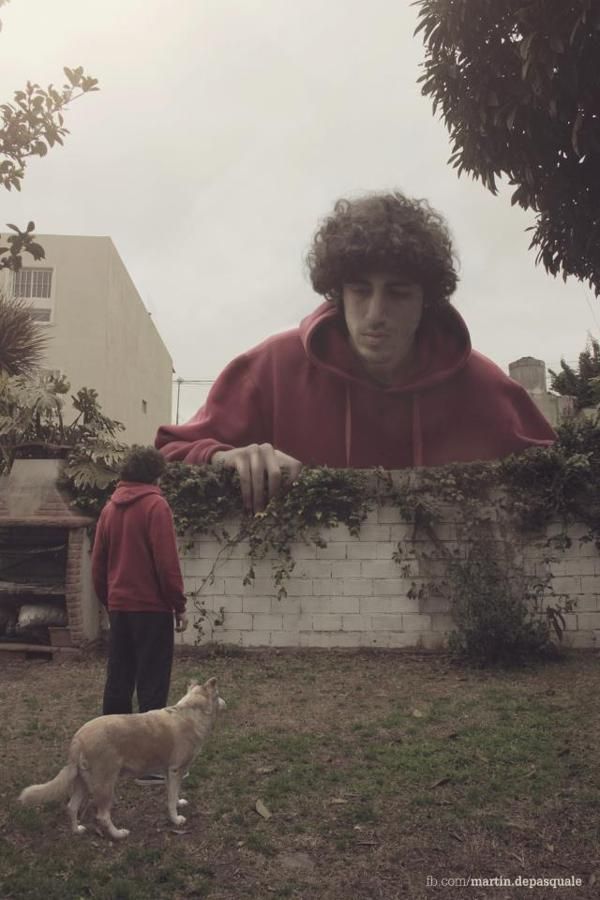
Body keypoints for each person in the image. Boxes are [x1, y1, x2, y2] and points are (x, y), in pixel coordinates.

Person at [156, 191, 555, 512]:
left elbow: (561, 481)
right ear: (338, 293)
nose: (376, 313)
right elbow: (164, 457)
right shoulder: (272, 370)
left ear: (426, 302)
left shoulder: (482, 388)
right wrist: (221, 458)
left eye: (398, 293)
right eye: (360, 290)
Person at [91, 445, 188, 782]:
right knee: (152, 683)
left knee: (118, 679)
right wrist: (178, 604)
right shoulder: (156, 506)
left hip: (120, 608)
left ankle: (109, 758)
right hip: (151, 609)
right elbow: (167, 564)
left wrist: (110, 600)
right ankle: (149, 767)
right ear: (155, 474)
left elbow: (98, 563)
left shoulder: (108, 510)